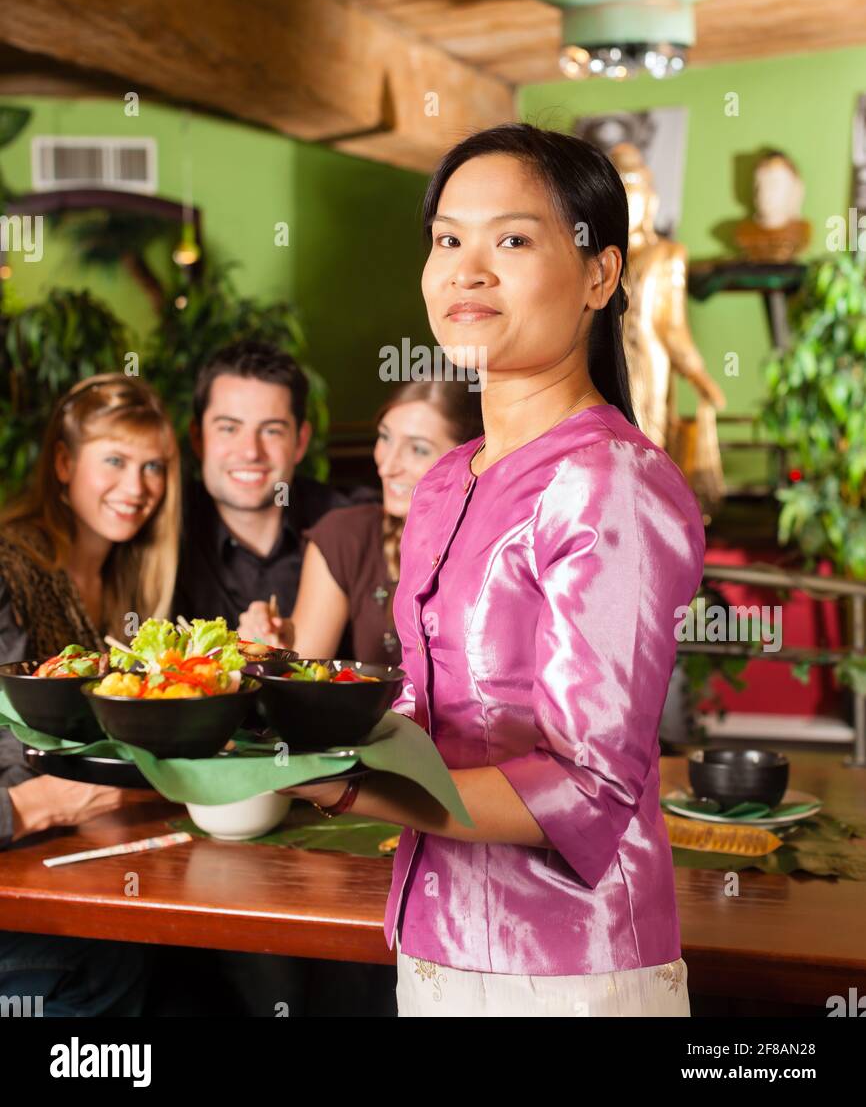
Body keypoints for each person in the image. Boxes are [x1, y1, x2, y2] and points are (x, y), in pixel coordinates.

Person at [281, 122, 706, 1017]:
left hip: (571, 971)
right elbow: (420, 715)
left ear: (601, 274)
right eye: (447, 240)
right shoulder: (444, 482)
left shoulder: (610, 482)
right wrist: (277, 727)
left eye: (512, 239)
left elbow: (589, 785)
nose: (466, 270)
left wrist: (348, 786)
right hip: (434, 947)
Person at [0, 373, 180, 1015]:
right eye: (114, 460)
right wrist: (45, 802)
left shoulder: (126, 589)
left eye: (152, 466)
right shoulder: (7, 569)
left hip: (108, 898)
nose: (136, 488)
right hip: (26, 926)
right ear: (63, 462)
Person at [239, 379, 483, 662]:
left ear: (472, 456)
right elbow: (304, 677)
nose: (387, 465)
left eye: (418, 449)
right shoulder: (346, 536)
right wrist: (273, 647)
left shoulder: (504, 548)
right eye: (386, 437)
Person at [172, 340, 353, 629]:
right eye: (229, 428)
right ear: (198, 438)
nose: (250, 452)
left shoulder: (350, 524)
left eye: (271, 430)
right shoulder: (163, 530)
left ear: (300, 441)